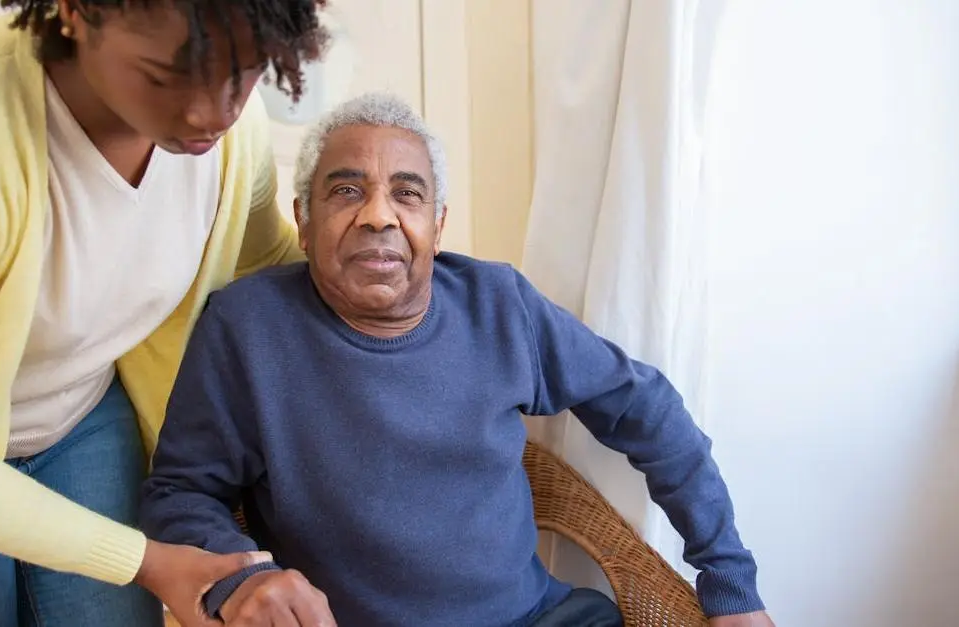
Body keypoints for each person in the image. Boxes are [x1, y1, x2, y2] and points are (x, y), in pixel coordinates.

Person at [139, 92, 777, 627]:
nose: (377, 216)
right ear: (303, 222)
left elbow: (647, 410)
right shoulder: (246, 328)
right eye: (346, 190)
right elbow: (180, 492)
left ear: (437, 225)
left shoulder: (500, 304)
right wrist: (243, 580)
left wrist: (730, 581)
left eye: (407, 193)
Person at [0, 1, 329, 626]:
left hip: (82, 413)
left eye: (246, 71)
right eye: (162, 75)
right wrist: (147, 561)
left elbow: (266, 265)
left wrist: (429, 295)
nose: (213, 113)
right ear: (72, 11)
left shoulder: (236, 137)